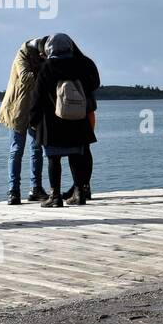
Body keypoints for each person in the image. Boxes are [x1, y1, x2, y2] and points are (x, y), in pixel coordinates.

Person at [28, 33, 100, 207]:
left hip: (51, 122)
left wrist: (33, 119)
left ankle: (55, 196)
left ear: (50, 48)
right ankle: (79, 193)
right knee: (76, 157)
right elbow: (93, 85)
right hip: (77, 119)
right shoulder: (81, 65)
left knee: (54, 159)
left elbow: (37, 96)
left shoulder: (47, 67)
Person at [0, 37, 49, 205]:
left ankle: (36, 189)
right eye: (42, 52)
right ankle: (14, 191)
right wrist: (47, 69)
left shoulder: (42, 58)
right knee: (16, 150)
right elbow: (26, 78)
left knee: (37, 149)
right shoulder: (21, 55)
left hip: (35, 110)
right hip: (17, 109)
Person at [60, 36, 100, 205]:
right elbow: (96, 84)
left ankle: (79, 186)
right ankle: (84, 186)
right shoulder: (87, 62)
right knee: (86, 149)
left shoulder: (66, 64)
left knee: (75, 150)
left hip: (73, 111)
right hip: (89, 110)